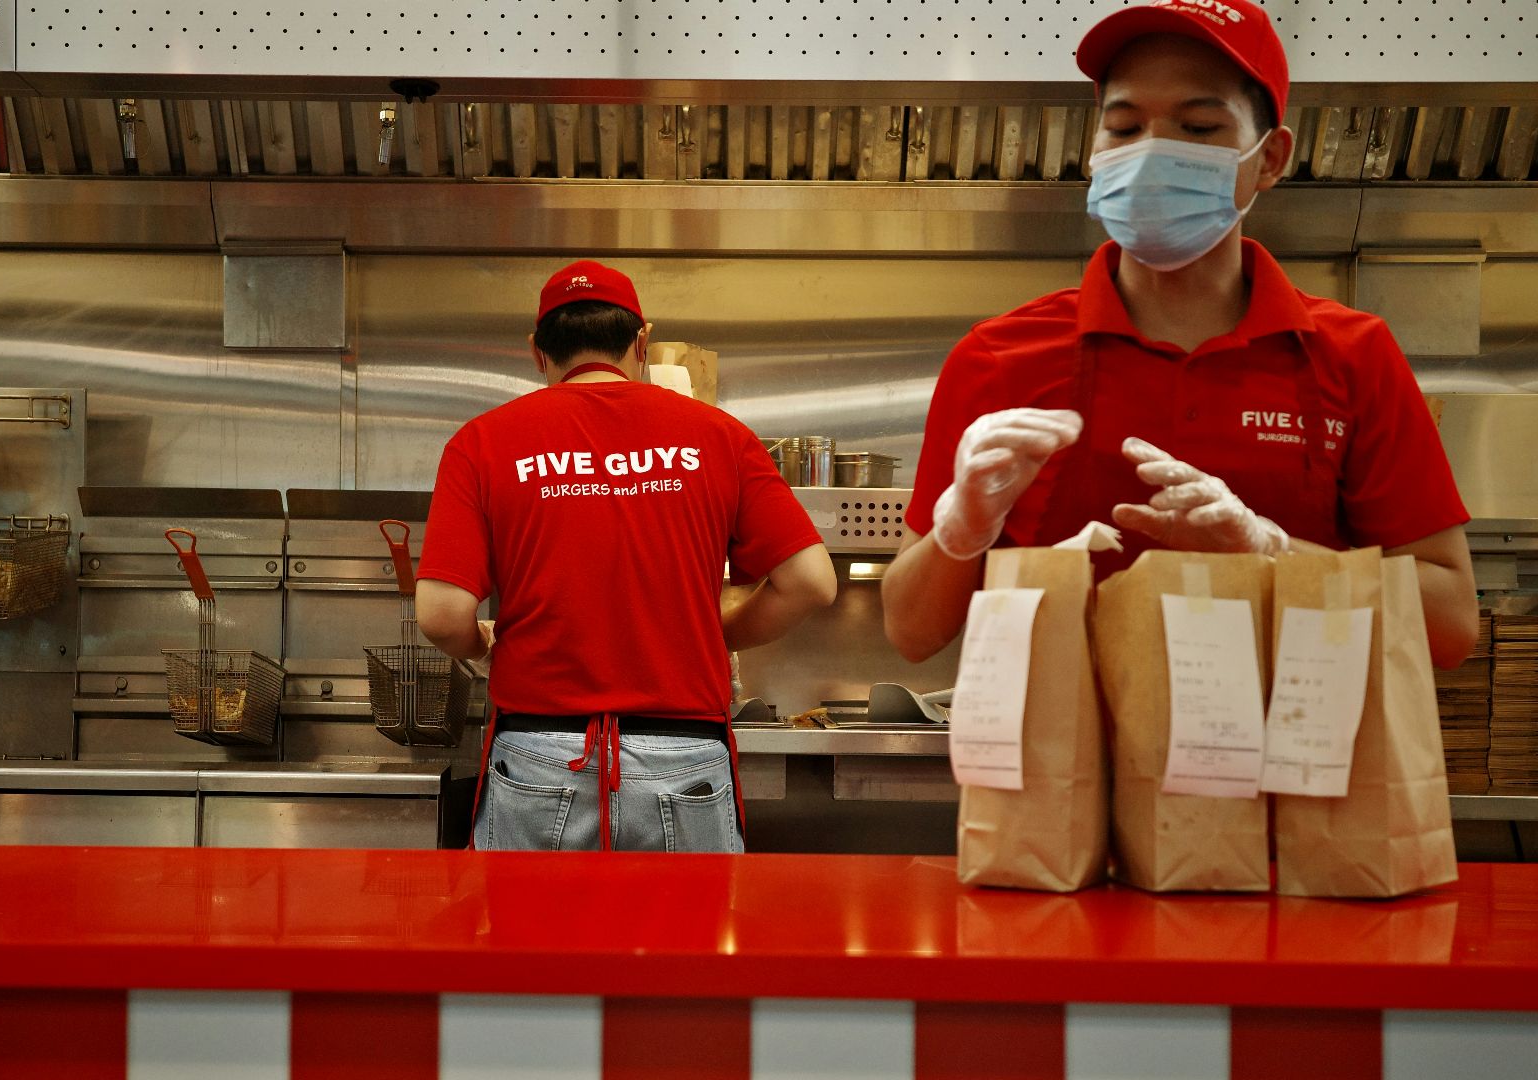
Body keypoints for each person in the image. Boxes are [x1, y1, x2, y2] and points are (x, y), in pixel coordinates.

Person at [882, 0, 1478, 670]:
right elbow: (911, 631)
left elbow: (1451, 624)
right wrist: (961, 532)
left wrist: (1269, 552)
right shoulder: (997, 357)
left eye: (1197, 126)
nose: (1150, 154)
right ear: (1095, 153)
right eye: (1125, 126)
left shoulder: (1351, 353)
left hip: (1284, 766)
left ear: (1271, 157)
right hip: (1062, 766)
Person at [415, 260, 837, 852]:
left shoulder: (482, 442)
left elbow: (438, 615)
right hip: (684, 760)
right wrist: (717, 634)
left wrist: (482, 644)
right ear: (641, 342)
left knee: (533, 944)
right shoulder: (718, 435)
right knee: (683, 945)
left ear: (539, 352)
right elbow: (813, 582)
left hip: (539, 759)